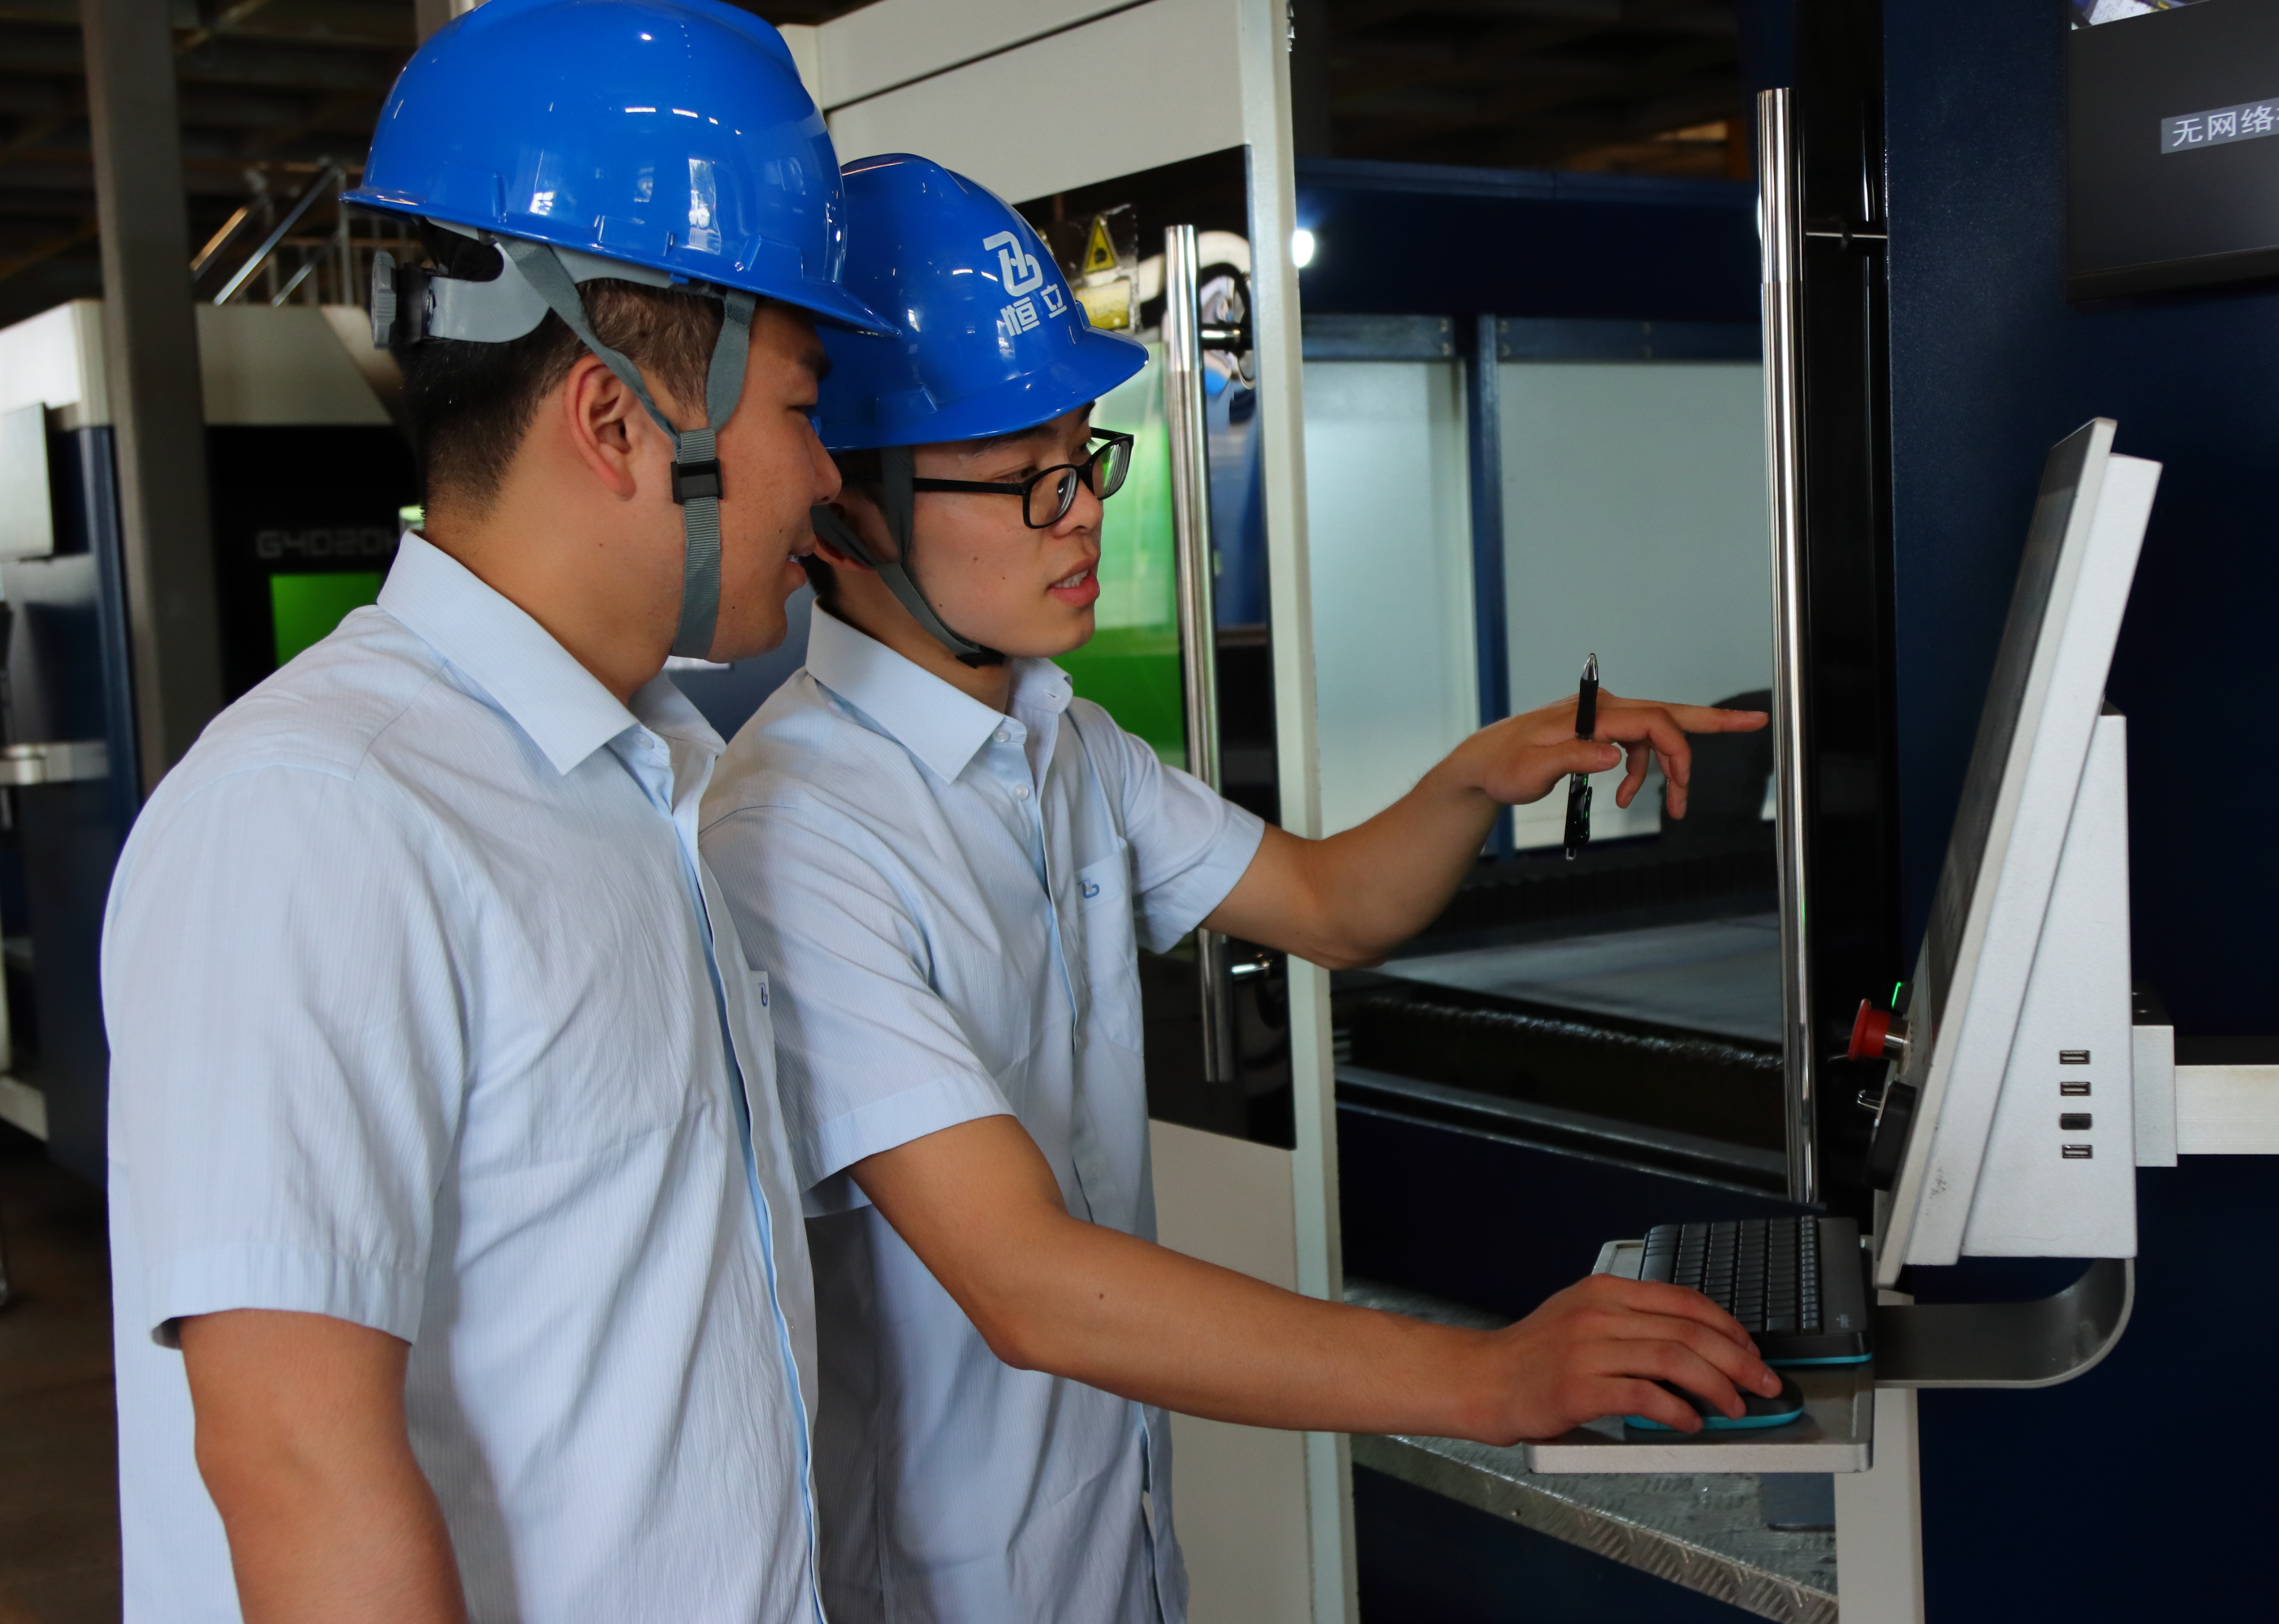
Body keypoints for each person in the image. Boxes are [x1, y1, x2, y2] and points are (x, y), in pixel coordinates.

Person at [700, 154, 1780, 1624]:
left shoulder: (1062, 742)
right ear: (851, 513)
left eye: (1087, 460)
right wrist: (1486, 1376)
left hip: (1118, 1556)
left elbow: (1329, 906)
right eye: (1028, 479)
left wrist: (1481, 773)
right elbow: (1025, 1282)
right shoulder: (795, 833)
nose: (1083, 515)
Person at [101, 2, 891, 1618]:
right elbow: (299, 1471)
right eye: (804, 411)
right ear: (615, 420)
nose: (827, 479)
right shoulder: (321, 814)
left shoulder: (635, 787)